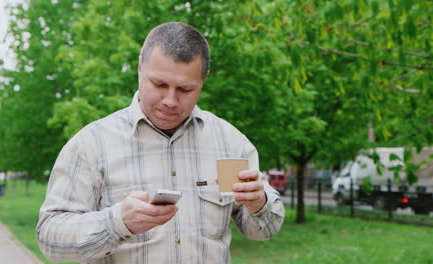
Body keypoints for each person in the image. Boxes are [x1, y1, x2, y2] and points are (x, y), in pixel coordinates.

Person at [36, 22, 284, 264]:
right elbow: (49, 239)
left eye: (185, 89)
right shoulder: (91, 144)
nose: (170, 100)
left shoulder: (230, 141)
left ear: (202, 83)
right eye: (159, 84)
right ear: (140, 71)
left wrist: (258, 203)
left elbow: (265, 230)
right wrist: (118, 222)